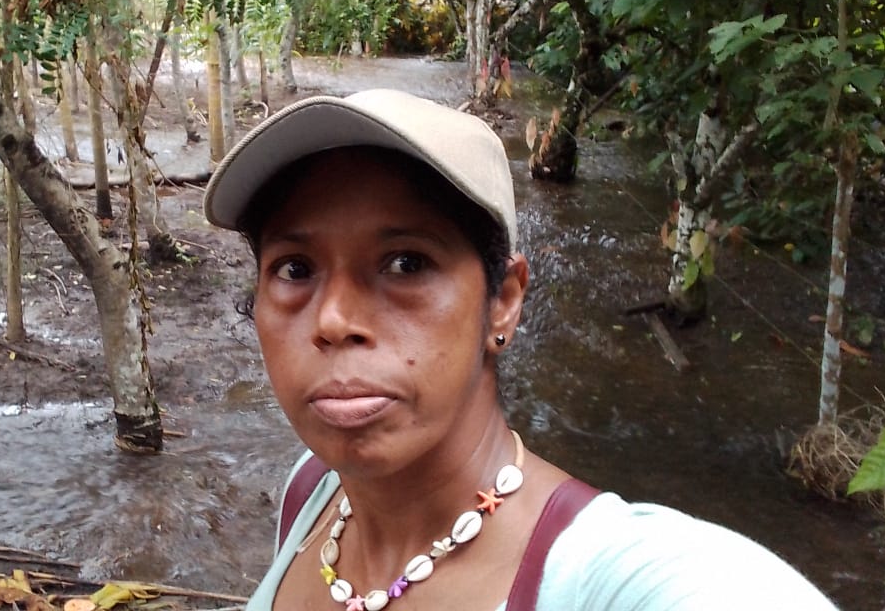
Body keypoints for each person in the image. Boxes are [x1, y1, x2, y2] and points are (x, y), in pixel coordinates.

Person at [203, 89, 838, 611]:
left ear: (503, 301)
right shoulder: (313, 490)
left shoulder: (614, 579)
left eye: (405, 263)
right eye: (294, 268)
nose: (334, 320)